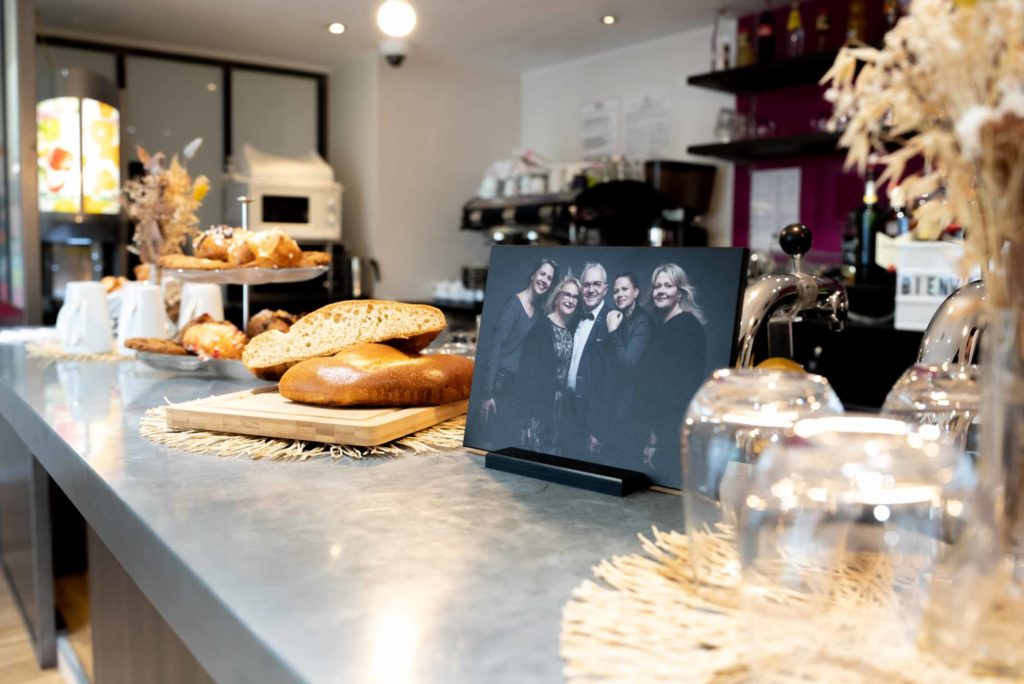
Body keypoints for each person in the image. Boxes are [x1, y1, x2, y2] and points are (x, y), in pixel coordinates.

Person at [477, 258, 557, 449]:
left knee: (511, 443)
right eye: (542, 274)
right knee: (496, 442)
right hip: (501, 383)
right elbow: (494, 348)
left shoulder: (538, 312)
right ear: (533, 275)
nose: (545, 280)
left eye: (550, 278)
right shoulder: (513, 305)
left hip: (518, 385)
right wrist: (487, 393)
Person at [643, 263, 707, 471]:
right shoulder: (665, 325)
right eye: (657, 286)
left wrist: (655, 435)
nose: (660, 291)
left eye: (667, 286)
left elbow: (679, 387)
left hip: (671, 426)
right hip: (662, 423)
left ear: (680, 292)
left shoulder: (686, 327)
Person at [518, 275, 580, 454]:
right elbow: (526, 374)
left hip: (559, 413)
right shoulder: (542, 328)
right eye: (567, 294)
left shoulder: (569, 332)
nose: (570, 300)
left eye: (575, 297)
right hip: (539, 410)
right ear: (557, 297)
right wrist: (526, 420)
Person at [603, 272, 655, 461]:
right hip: (616, 405)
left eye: (624, 289)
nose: (619, 294)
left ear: (636, 292)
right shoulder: (619, 319)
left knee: (623, 459)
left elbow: (627, 364)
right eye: (616, 291)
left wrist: (612, 331)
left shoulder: (644, 322)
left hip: (634, 410)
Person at [565, 262, 611, 457]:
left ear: (605, 289)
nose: (591, 290)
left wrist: (598, 430)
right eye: (587, 284)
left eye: (597, 284)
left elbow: (612, 383)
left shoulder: (612, 321)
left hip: (591, 416)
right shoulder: (574, 317)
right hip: (566, 409)